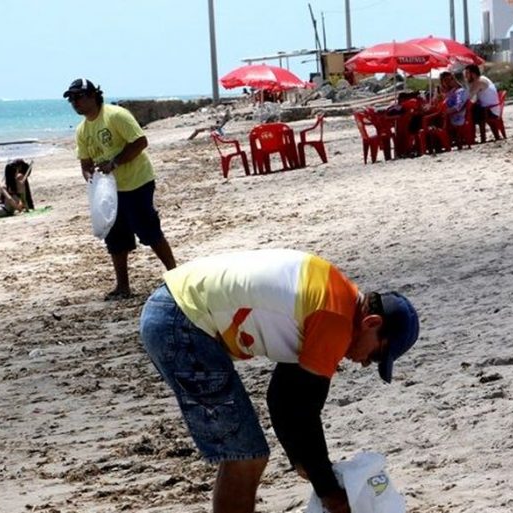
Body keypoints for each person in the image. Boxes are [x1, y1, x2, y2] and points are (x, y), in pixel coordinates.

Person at [139, 249, 420, 513]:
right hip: (181, 321)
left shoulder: (335, 297)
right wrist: (330, 493)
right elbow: (303, 411)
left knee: (245, 455)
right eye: (376, 355)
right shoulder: (335, 319)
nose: (365, 363)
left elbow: (282, 398)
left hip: (173, 310)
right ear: (371, 323)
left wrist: (303, 462)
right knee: (245, 457)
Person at [64, 78, 176, 300]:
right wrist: (92, 179)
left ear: (93, 96)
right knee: (115, 237)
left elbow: (140, 142)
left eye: (79, 97)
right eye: (71, 99)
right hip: (110, 191)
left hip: (136, 181)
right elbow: (85, 164)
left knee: (148, 230)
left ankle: (176, 275)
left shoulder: (115, 115)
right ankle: (123, 286)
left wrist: (114, 162)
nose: (75, 102)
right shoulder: (82, 130)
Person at [463, 64, 501, 142]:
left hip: (490, 111)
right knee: (471, 109)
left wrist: (467, 83)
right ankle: (471, 137)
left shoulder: (479, 81)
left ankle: (470, 137)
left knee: (468, 112)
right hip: (492, 109)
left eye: (467, 73)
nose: (465, 76)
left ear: (473, 74)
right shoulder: (482, 78)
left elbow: (469, 96)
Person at [439, 71, 469, 145]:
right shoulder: (453, 90)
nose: (449, 81)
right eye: (446, 80)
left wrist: (445, 111)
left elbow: (458, 107)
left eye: (451, 79)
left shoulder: (460, 91)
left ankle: (441, 142)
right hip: (449, 115)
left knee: (431, 121)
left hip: (455, 116)